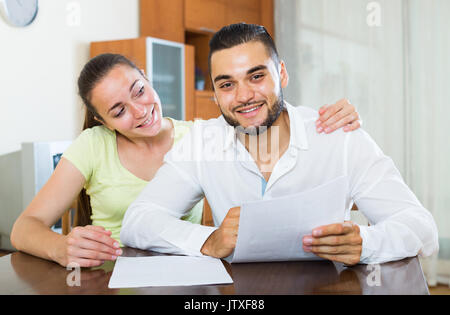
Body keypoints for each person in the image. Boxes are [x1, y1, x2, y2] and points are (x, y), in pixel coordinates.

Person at [120, 23, 439, 266]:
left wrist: (366, 243)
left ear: (282, 73)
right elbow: (138, 221)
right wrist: (207, 240)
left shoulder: (340, 136)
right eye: (227, 84)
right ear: (215, 95)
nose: (244, 96)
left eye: (256, 77)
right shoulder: (202, 143)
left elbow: (422, 228)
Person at [10, 53, 360, 268]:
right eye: (118, 111)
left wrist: (319, 122)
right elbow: (24, 228)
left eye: (139, 91)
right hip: (109, 274)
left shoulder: (199, 136)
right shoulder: (92, 145)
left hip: (184, 273)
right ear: (102, 121)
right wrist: (60, 247)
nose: (140, 111)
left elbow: (261, 120)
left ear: (148, 79)